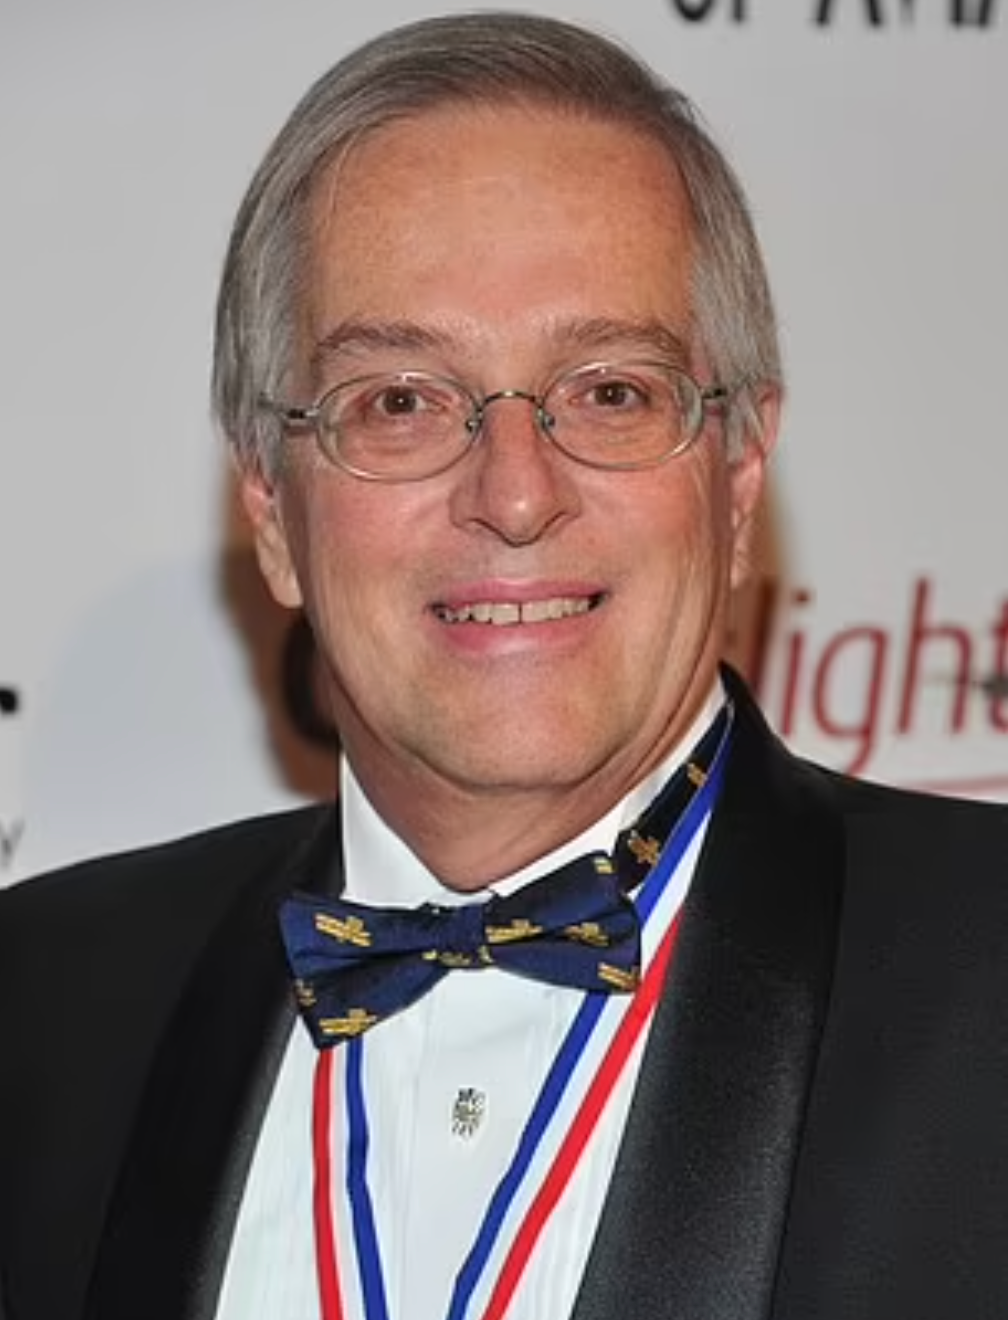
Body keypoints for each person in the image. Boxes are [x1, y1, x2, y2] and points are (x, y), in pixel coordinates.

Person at [2, 11, 1007, 1320]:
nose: (517, 495)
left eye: (610, 390)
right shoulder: (40, 1005)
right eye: (400, 400)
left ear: (739, 474)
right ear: (270, 509)